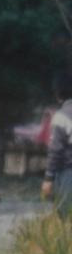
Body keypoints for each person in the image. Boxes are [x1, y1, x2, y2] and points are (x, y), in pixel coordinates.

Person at [41, 71, 72, 216]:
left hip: (68, 173)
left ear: (58, 94)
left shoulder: (61, 117)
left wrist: (48, 178)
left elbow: (56, 151)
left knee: (66, 216)